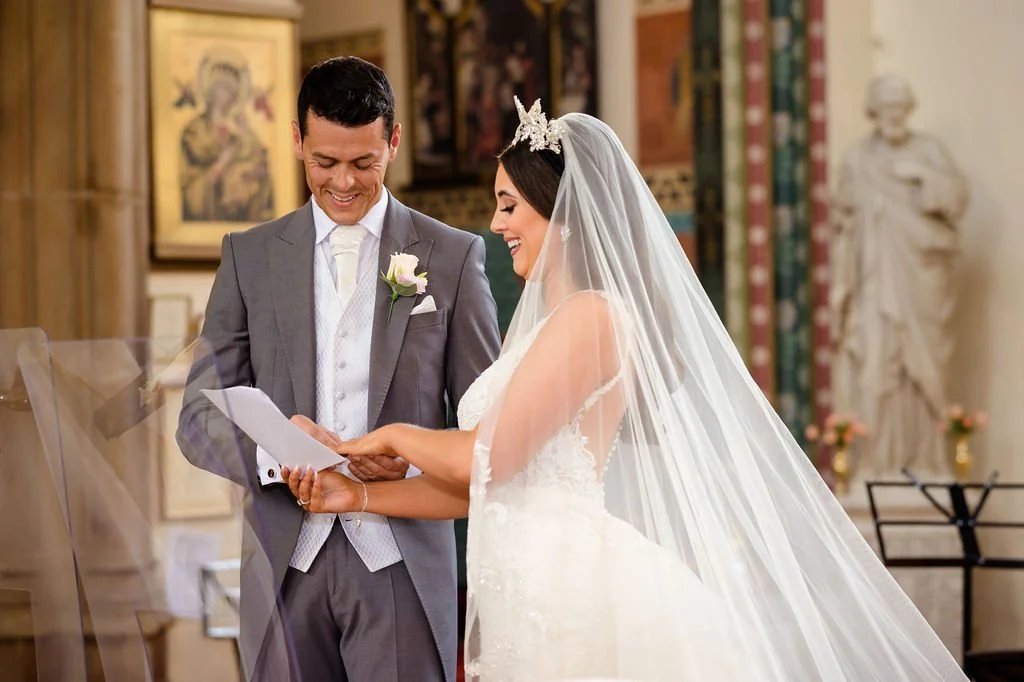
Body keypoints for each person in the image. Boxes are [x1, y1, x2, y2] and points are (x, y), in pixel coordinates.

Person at [286, 97, 968, 681]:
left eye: (509, 205)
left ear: (566, 213)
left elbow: (489, 458)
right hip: (532, 588)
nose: (496, 226)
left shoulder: (594, 316)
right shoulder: (550, 325)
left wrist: (378, 439)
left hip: (576, 591)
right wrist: (361, 492)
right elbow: (483, 488)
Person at [176, 56, 501, 682]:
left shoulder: (455, 258)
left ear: (394, 142)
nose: (344, 183)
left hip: (401, 563)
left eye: (364, 163)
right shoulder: (248, 258)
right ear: (297, 141)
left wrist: (410, 458)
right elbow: (196, 419)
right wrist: (280, 459)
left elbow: (489, 433)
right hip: (282, 566)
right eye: (325, 163)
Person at [831, 73, 969, 479]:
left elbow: (957, 198)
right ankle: (874, 462)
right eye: (885, 107)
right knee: (876, 365)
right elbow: (845, 224)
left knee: (924, 364)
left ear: (908, 110)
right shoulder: (858, 159)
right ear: (874, 111)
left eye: (899, 107)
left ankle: (929, 460)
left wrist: (923, 175)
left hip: (920, 280)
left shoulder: (929, 151)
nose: (893, 115)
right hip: (874, 282)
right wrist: (842, 285)